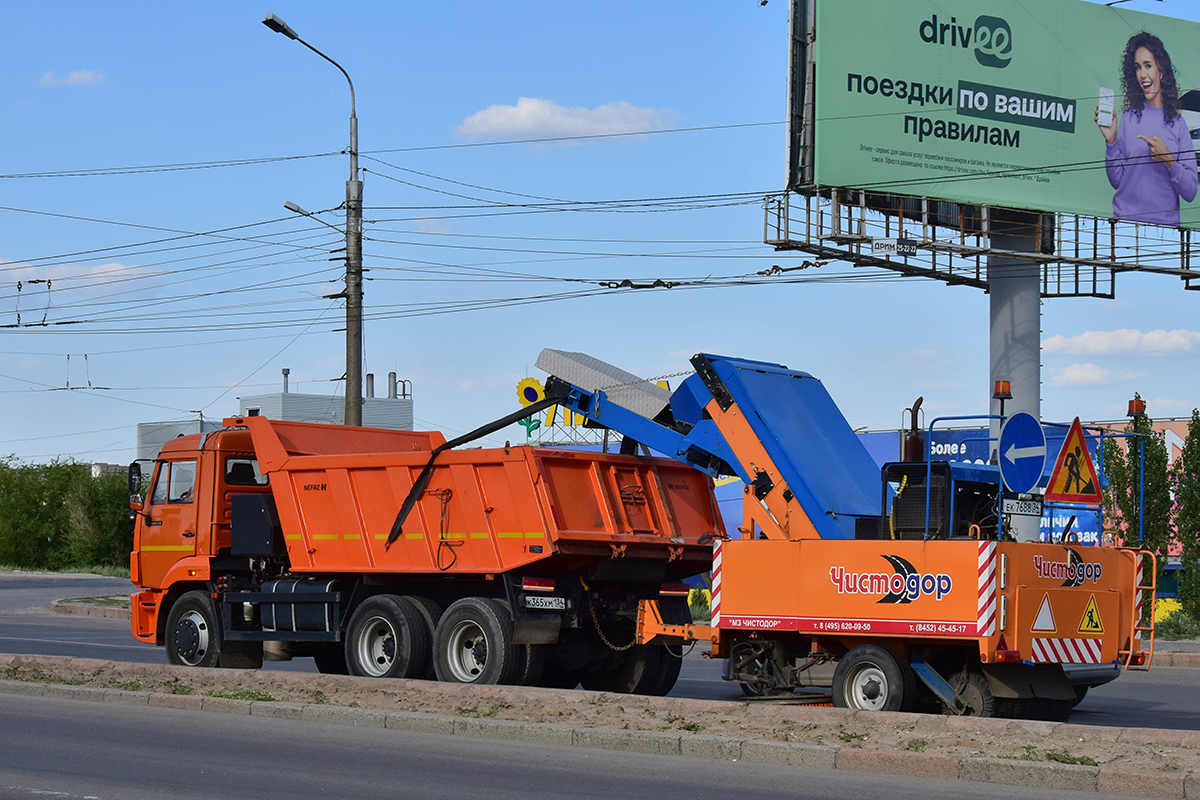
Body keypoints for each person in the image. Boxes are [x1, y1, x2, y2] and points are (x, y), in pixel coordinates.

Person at [1097, 31, 1198, 226]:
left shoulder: (1178, 125)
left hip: (1163, 232)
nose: (1143, 74)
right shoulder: (1128, 117)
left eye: (1148, 66)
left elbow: (1191, 192)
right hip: (1124, 224)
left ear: (1161, 71)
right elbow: (1117, 181)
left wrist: (1168, 160)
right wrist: (1111, 141)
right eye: (1137, 67)